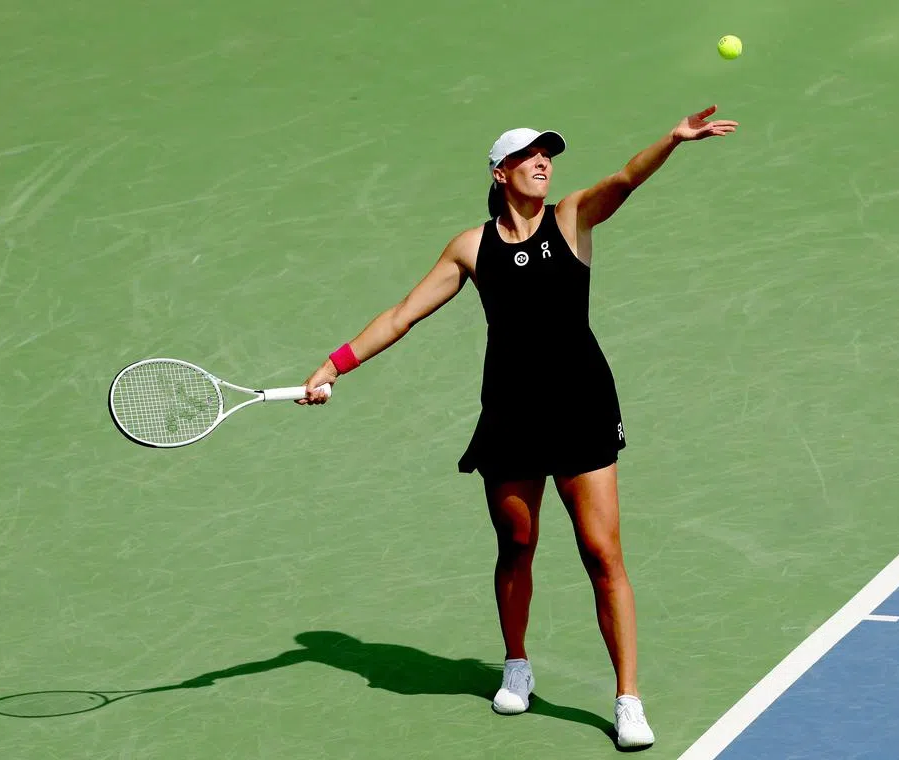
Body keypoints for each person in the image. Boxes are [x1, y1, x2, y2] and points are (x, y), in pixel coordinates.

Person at [298, 105, 738, 749]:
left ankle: (628, 698)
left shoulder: (573, 218)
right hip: (510, 415)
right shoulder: (470, 248)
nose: (544, 164)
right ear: (501, 172)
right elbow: (401, 315)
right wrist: (334, 366)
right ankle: (516, 663)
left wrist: (672, 141)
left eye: (549, 155)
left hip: (582, 407)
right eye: (530, 156)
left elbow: (624, 179)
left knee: (602, 554)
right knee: (517, 543)